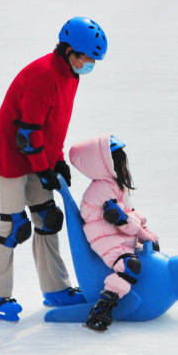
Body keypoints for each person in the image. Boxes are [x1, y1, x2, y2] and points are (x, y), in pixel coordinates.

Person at [0, 18, 106, 321]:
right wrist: (44, 169)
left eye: (93, 59)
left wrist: (57, 160)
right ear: (68, 50)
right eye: (86, 57)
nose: (89, 63)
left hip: (35, 155)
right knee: (13, 226)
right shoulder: (43, 76)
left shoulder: (71, 77)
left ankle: (56, 289)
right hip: (8, 159)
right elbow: (28, 134)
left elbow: (53, 128)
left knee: (48, 219)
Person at [67, 136, 159, 332]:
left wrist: (145, 232)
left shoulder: (115, 184)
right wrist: (139, 231)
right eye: (118, 159)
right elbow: (119, 220)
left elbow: (129, 213)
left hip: (119, 236)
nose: (123, 163)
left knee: (151, 250)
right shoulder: (100, 189)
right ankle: (102, 308)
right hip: (106, 240)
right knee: (129, 266)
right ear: (106, 164)